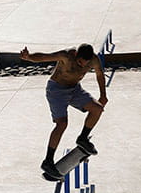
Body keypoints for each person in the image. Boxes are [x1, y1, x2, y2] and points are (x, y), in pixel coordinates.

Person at [20, 42, 107, 182]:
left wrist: (103, 95)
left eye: (85, 64)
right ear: (75, 55)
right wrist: (29, 57)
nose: (82, 66)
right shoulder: (66, 55)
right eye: (79, 62)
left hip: (74, 90)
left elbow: (100, 75)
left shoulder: (94, 60)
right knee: (62, 124)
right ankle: (48, 161)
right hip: (56, 91)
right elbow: (44, 57)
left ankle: (83, 138)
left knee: (97, 109)